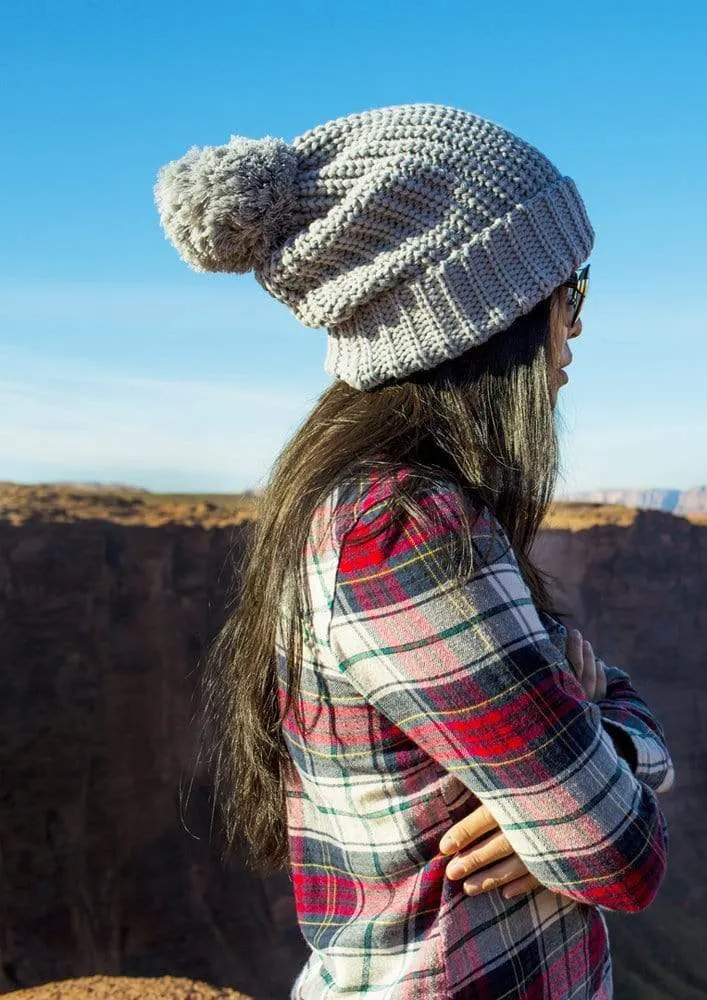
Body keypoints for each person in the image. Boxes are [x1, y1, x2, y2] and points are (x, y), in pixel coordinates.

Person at [158, 102, 673, 1000]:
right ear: (489, 311)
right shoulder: (401, 531)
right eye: (569, 291)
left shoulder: (401, 504)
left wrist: (592, 760)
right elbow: (620, 856)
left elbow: (610, 724)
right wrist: (598, 760)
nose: (575, 326)